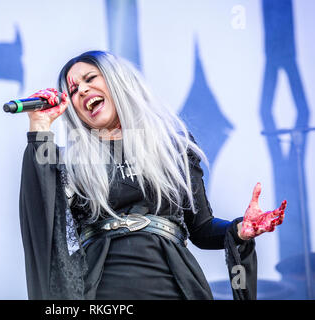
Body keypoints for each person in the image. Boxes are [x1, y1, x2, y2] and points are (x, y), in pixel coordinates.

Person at [18, 50, 287, 300]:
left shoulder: (172, 147)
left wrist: (240, 230)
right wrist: (39, 126)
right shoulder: (71, 162)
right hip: (102, 289)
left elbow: (202, 229)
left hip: (173, 282)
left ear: (118, 82)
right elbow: (41, 211)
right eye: (74, 91)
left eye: (90, 78)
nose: (83, 90)